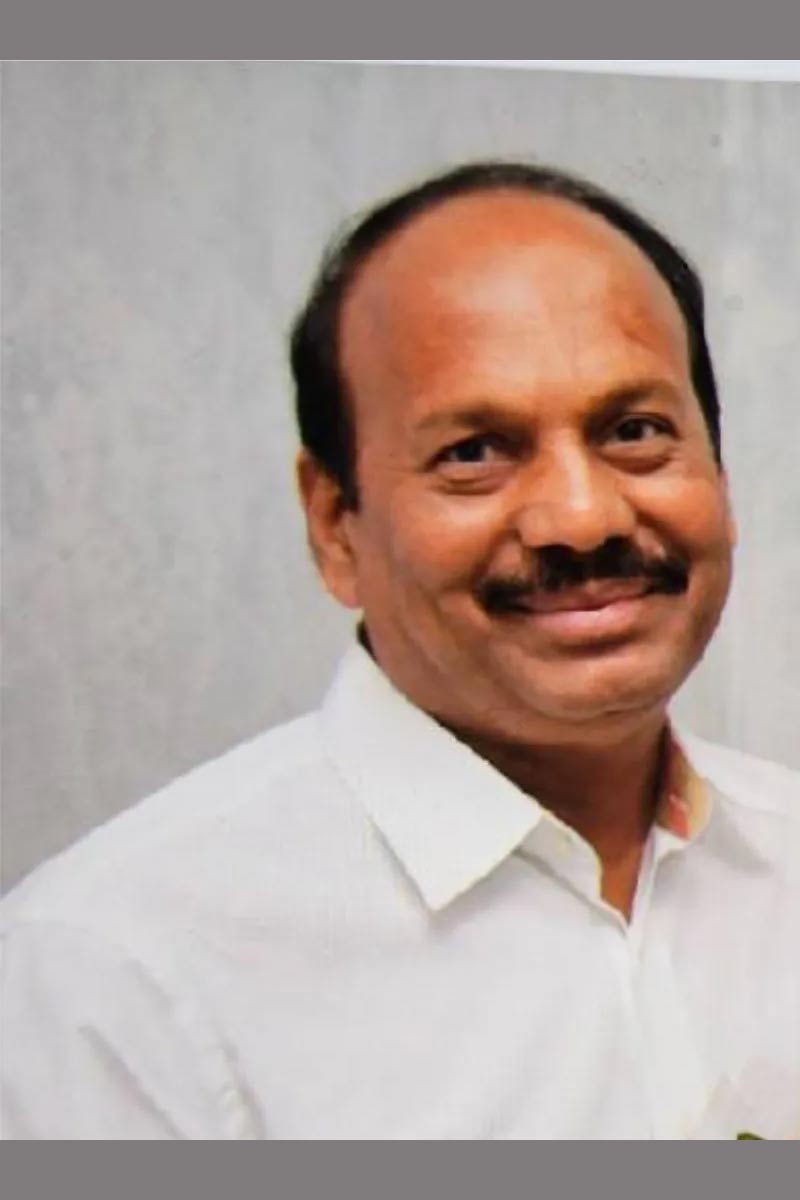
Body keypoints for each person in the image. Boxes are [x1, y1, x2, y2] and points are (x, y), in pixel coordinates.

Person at [2, 161, 797, 1141]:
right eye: (474, 452)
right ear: (335, 524)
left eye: (634, 431)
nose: (581, 517)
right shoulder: (114, 979)